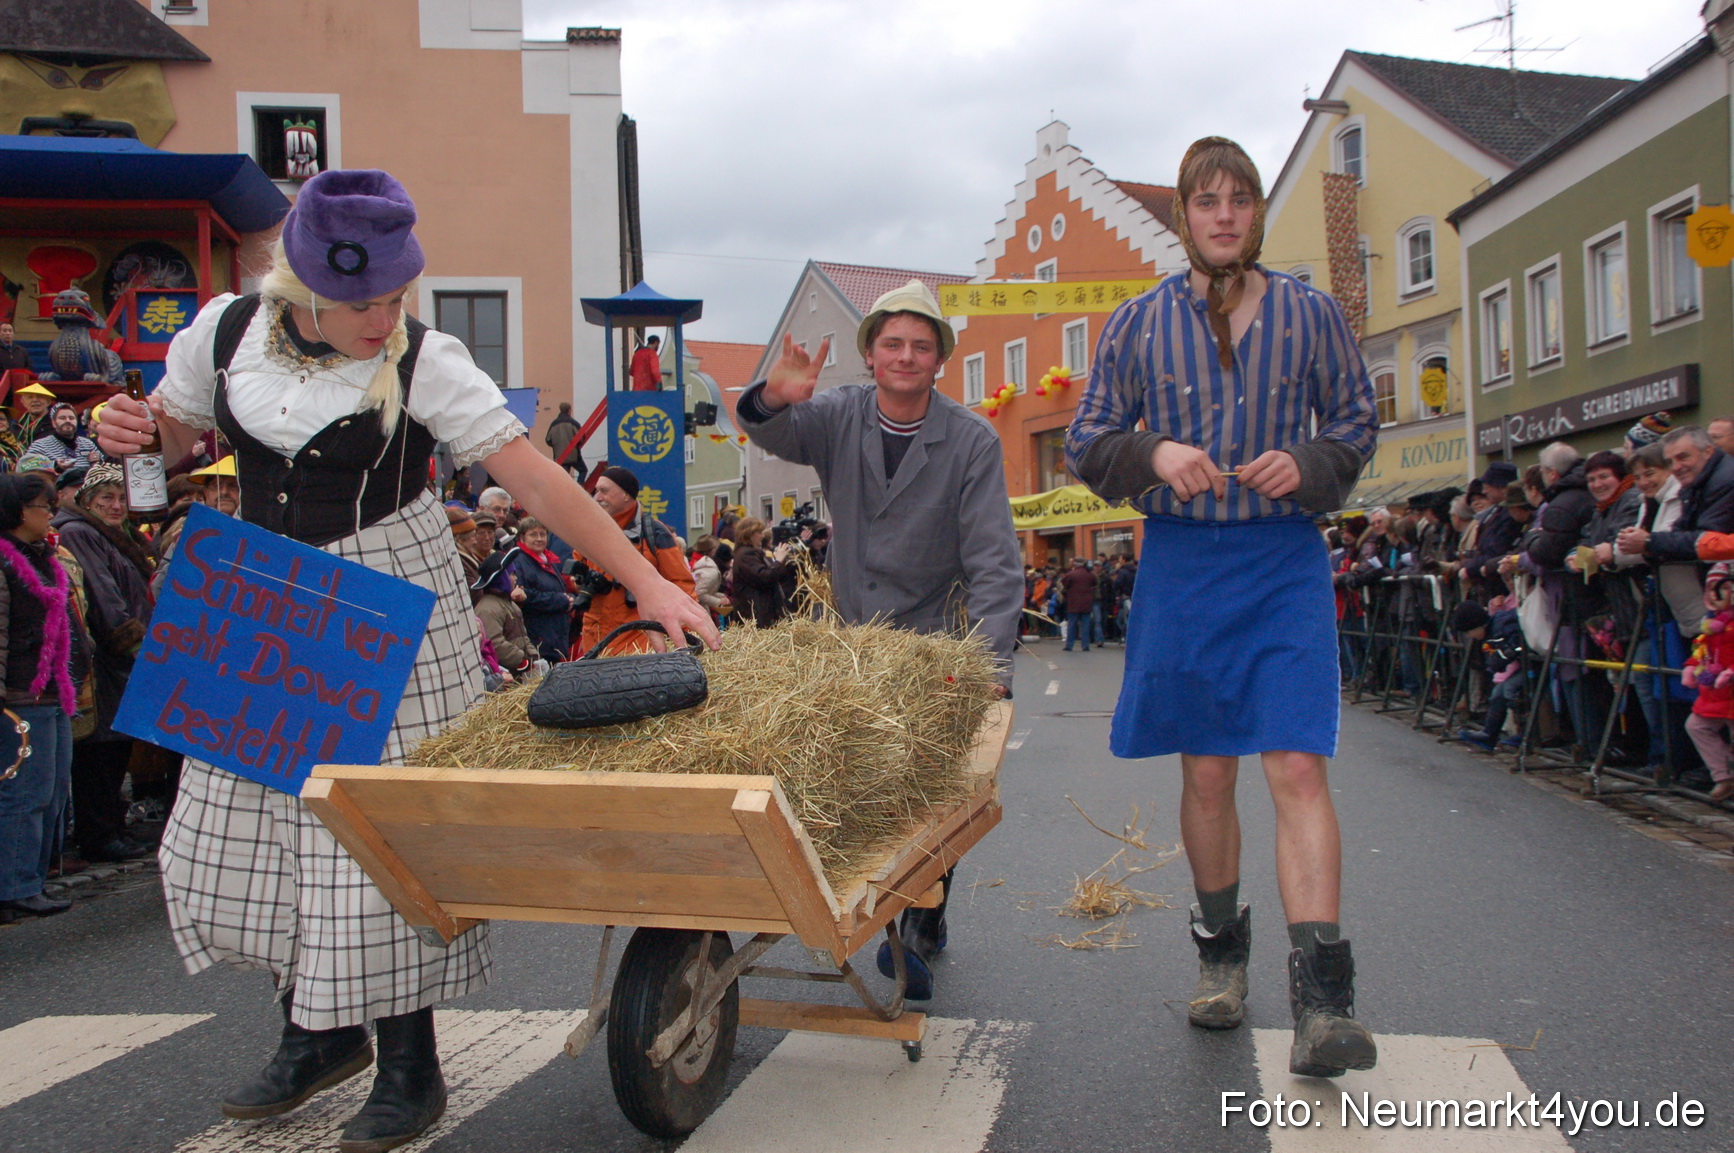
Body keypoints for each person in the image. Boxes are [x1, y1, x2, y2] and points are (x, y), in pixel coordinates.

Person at [94, 168, 716, 1153]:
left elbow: (539, 480)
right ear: (301, 292)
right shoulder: (219, 333)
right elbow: (172, 432)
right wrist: (128, 427)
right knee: (245, 826)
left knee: (375, 834)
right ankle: (314, 1030)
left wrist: (648, 583)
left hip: (391, 596)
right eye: (361, 304)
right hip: (263, 597)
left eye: (394, 296)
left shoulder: (428, 361)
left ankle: (411, 1065)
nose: (383, 317)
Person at [1065, 138, 1379, 1077]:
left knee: (1294, 766)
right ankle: (1220, 961)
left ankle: (1324, 1005)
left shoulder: (1312, 314)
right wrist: (1154, 452)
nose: (1227, 214)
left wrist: (1314, 465)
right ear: (1184, 217)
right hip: (1185, 564)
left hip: (1282, 559)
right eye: (1208, 200)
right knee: (1207, 775)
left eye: (1241, 198)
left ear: (1254, 213)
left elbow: (1357, 423)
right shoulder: (1134, 324)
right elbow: (1088, 436)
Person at [736, 277, 1022, 1002]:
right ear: (870, 355)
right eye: (891, 343)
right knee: (866, 772)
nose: (905, 356)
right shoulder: (838, 414)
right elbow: (773, 430)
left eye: (921, 346)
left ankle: (923, 917)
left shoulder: (971, 440)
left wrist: (990, 664)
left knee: (932, 782)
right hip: (857, 631)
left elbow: (993, 558)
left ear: (938, 361)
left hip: (937, 634)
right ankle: (890, 902)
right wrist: (775, 396)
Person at [53, 463, 156, 864]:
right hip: (106, 658)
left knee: (114, 749)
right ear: (87, 501)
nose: (116, 506)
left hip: (119, 660)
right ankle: (99, 834)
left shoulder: (112, 535)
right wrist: (131, 641)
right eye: (106, 498)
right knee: (100, 751)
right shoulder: (80, 532)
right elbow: (104, 596)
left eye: (121, 498)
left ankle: (110, 827)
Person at [0, 472, 80, 923]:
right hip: (19, 693)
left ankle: (30, 877)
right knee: (24, 792)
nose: (49, 514)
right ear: (17, 511)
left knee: (50, 792)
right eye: (41, 506)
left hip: (51, 689)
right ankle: (14, 885)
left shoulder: (43, 556)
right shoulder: (4, 560)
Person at [569, 465, 698, 655]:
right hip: (595, 639)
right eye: (596, 491)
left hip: (638, 638)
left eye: (604, 491)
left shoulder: (655, 533)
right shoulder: (589, 532)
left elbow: (682, 585)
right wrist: (579, 584)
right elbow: (577, 576)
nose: (598, 497)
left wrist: (685, 639)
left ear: (626, 495)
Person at [1680, 563, 1734, 801]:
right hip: (1716, 691)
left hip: (1728, 687)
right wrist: (1691, 667)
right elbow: (1702, 649)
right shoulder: (1712, 625)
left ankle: (1726, 775)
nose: (1714, 594)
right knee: (1696, 725)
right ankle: (1724, 775)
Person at [503, 516, 577, 663]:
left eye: (542, 534)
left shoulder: (548, 561)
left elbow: (559, 589)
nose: (539, 539)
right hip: (538, 636)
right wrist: (561, 600)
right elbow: (525, 595)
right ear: (522, 537)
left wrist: (569, 598)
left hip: (554, 635)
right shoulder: (519, 561)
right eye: (533, 534)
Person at [728, 516, 797, 626]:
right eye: (759, 532)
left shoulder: (748, 554)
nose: (763, 535)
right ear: (749, 534)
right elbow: (765, 577)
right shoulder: (746, 555)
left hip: (759, 613)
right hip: (756, 615)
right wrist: (778, 561)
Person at [19, 402, 101, 474]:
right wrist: (54, 465)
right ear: (53, 423)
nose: (68, 421)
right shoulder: (41, 445)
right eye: (62, 418)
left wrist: (97, 462)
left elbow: (103, 468)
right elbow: (23, 466)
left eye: (71, 418)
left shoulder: (87, 444)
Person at [690, 535, 733, 623]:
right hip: (700, 609)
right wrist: (719, 601)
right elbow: (700, 593)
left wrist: (719, 596)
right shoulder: (708, 569)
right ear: (711, 550)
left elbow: (706, 589)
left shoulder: (699, 562)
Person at [1060, 557, 1095, 652]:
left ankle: (1069, 645)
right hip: (1087, 602)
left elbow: (1064, 582)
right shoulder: (1090, 574)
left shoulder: (1071, 574)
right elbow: (1095, 583)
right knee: (1085, 625)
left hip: (1073, 602)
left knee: (1072, 624)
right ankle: (1085, 645)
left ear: (1075, 564)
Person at [10, 381, 56, 452]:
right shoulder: (17, 426)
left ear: (49, 402)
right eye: (30, 397)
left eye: (40, 397)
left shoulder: (56, 425)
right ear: (23, 402)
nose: (35, 400)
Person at [545, 400, 583, 467]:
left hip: (559, 456)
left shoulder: (554, 424)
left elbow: (548, 440)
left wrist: (556, 445)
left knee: (564, 473)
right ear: (569, 410)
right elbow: (581, 438)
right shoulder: (573, 423)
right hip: (573, 455)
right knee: (583, 470)